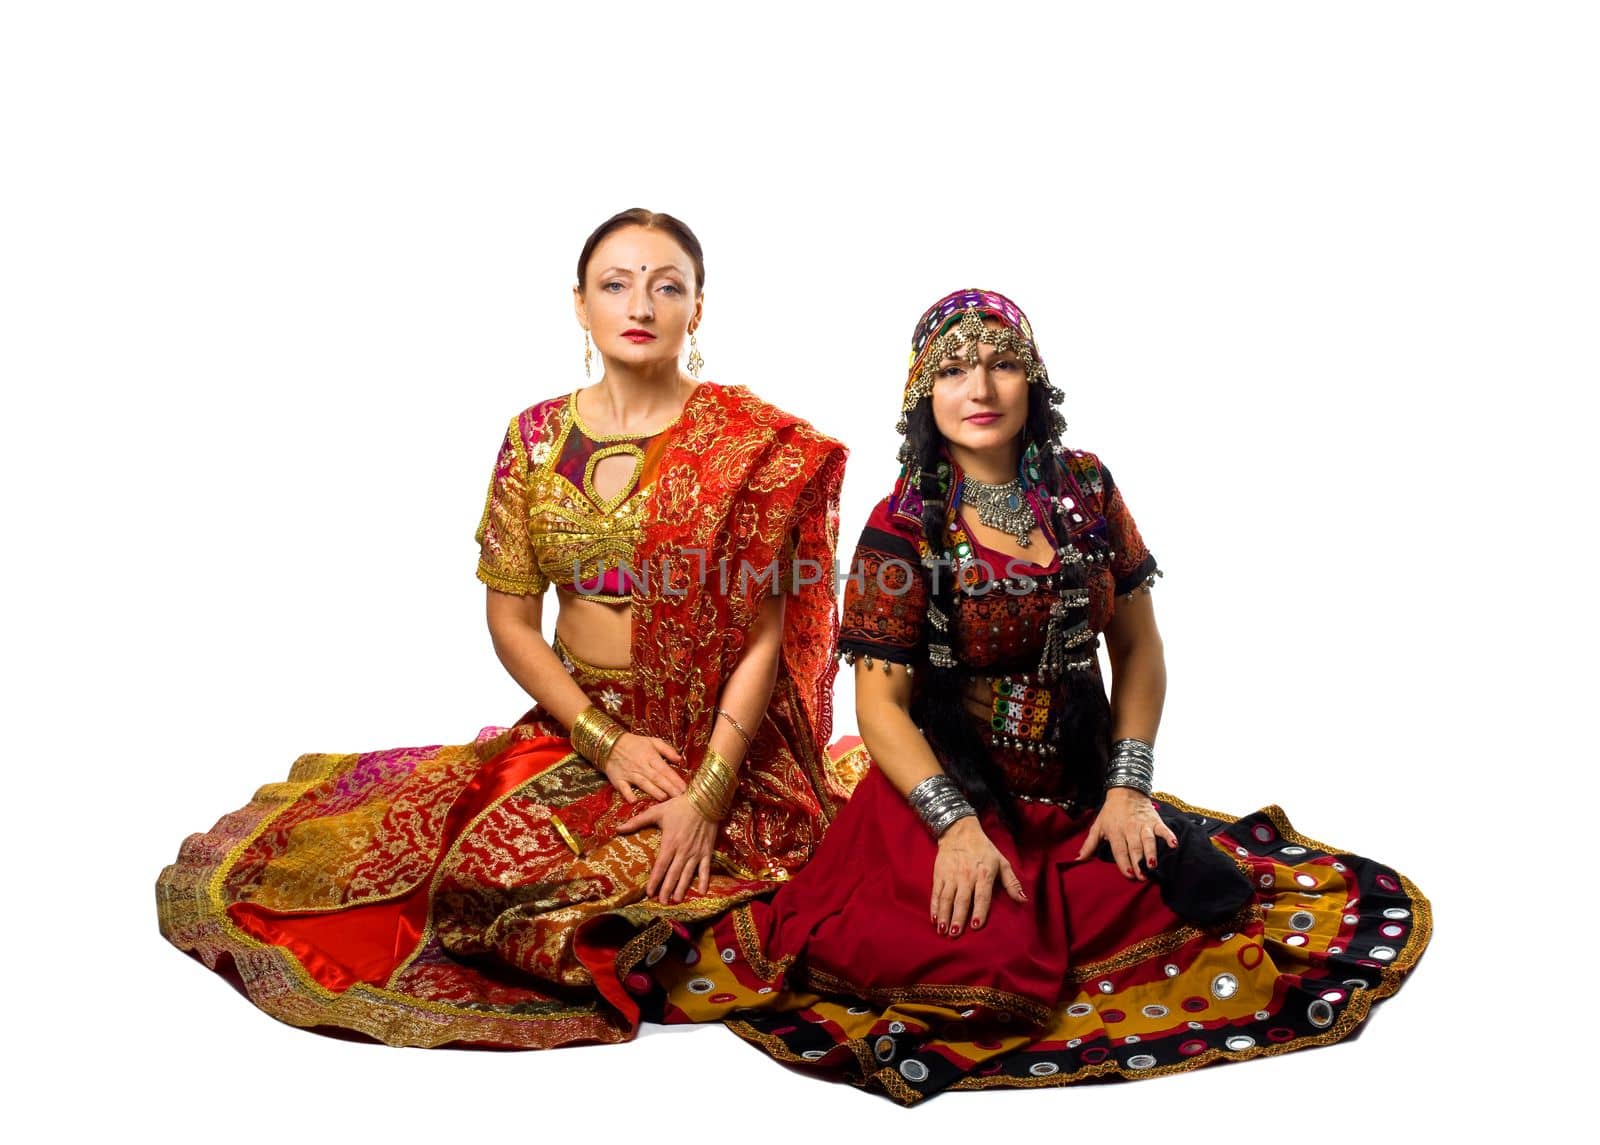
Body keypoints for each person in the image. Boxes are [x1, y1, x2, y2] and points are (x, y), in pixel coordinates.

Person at [629, 288, 1431, 1103]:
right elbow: (881, 708)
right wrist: (957, 828)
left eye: (1001, 364)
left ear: (1033, 381)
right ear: (921, 395)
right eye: (952, 370)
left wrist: (1128, 789)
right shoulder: (903, 527)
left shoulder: (1086, 490)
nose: (978, 389)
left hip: (1078, 783)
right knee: (985, 962)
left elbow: (1141, 649)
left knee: (1204, 895)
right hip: (951, 794)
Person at [155, 208, 856, 1049]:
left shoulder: (753, 448)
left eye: (667, 285)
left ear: (697, 308)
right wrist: (605, 740)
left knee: (672, 887)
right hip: (580, 727)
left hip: (719, 743)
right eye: (615, 283)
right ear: (580, 305)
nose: (641, 302)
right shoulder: (534, 439)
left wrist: (707, 792)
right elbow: (512, 619)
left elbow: (764, 636)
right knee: (474, 882)